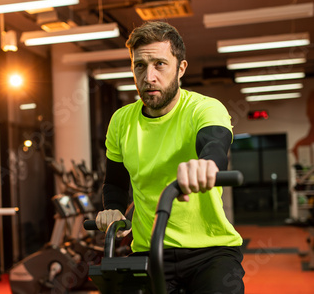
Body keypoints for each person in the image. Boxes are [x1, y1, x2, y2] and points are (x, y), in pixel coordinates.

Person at [95, 21, 245, 293]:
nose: (149, 76)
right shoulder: (120, 121)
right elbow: (115, 182)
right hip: (149, 251)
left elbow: (214, 143)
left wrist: (205, 167)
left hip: (210, 251)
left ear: (181, 68)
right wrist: (114, 208)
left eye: (160, 64)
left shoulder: (204, 108)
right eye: (140, 65)